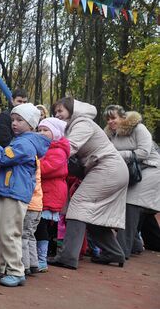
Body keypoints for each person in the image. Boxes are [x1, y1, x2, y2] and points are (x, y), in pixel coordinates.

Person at [0, 103, 49, 287]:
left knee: (10, 233)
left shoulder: (25, 143)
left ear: (31, 124)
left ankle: (16, 270)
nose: (14, 123)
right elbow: (7, 153)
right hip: (9, 190)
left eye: (19, 120)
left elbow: (4, 159)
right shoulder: (21, 140)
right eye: (13, 119)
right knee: (0, 230)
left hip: (15, 193)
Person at [48, 97, 127, 269]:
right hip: (110, 169)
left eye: (61, 110)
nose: (57, 114)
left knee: (78, 205)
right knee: (91, 214)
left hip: (107, 168)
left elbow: (70, 147)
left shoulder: (82, 123)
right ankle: (113, 253)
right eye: (55, 112)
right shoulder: (73, 126)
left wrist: (44, 156)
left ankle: (68, 256)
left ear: (72, 110)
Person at [104, 105, 160, 258]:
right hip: (132, 172)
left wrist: (118, 154)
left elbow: (144, 152)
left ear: (123, 117)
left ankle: (121, 250)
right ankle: (135, 243)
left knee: (131, 204)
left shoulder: (138, 128)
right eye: (108, 119)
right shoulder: (111, 135)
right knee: (124, 204)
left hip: (151, 169)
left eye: (113, 117)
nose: (110, 122)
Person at [0, 88, 28, 235]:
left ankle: (4, 224)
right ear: (12, 100)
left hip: (17, 156)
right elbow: (3, 139)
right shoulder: (4, 116)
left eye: (24, 102)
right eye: (19, 101)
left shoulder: (26, 117)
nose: (21, 104)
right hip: (4, 155)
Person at [34, 117, 70, 272]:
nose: (42, 133)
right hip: (43, 192)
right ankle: (36, 256)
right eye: (40, 130)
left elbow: (46, 168)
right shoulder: (45, 147)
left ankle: (41, 259)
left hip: (51, 192)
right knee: (37, 226)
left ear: (55, 133)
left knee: (41, 226)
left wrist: (31, 163)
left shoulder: (58, 151)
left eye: (45, 130)